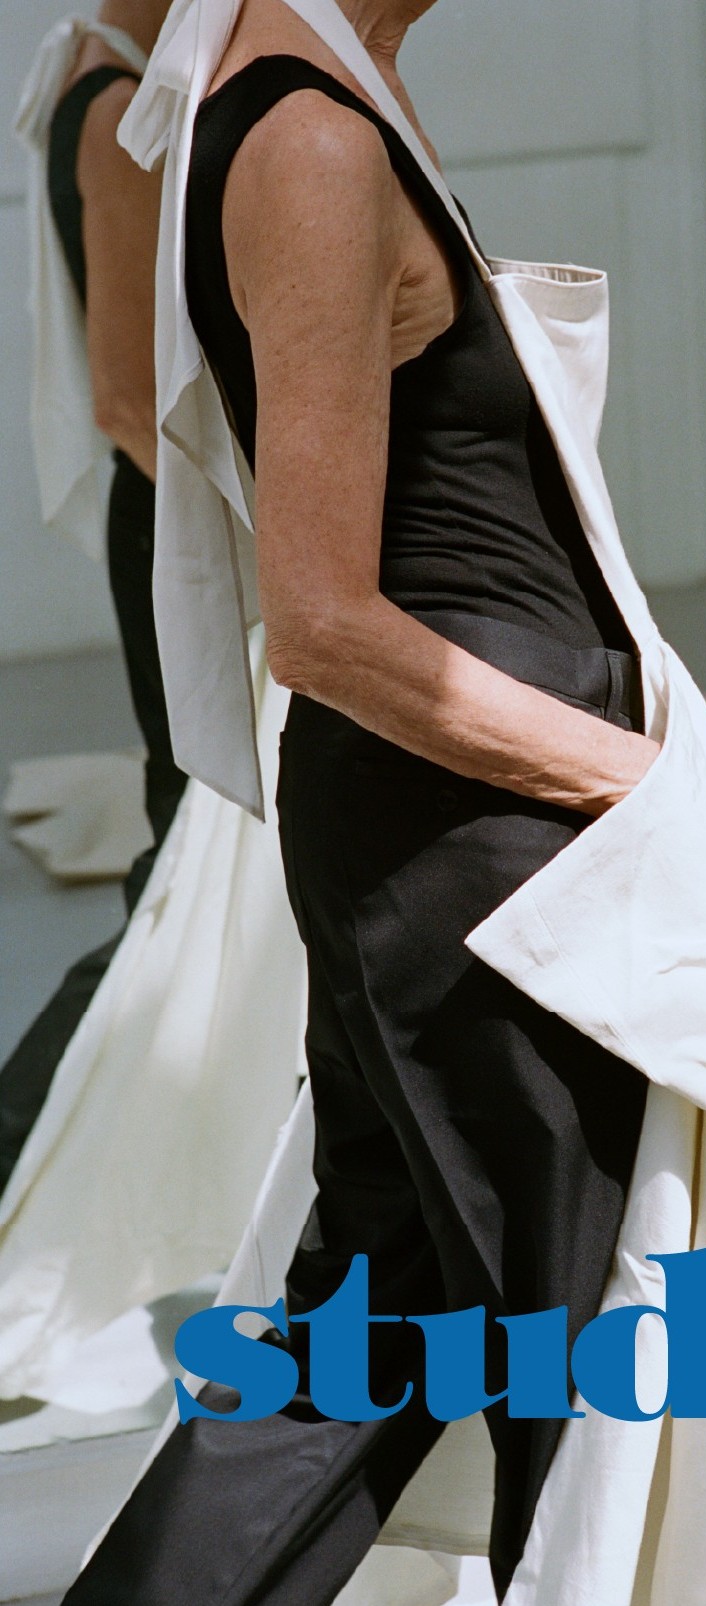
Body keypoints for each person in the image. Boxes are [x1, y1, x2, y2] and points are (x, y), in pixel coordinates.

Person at [64, 1, 706, 1602]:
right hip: (486, 854)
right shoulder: (309, 139)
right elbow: (322, 621)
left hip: (447, 840)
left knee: (362, 1344)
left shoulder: (326, 103)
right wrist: (631, 783)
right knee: (582, 1374)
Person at [1, 0, 184, 1193]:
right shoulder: (114, 103)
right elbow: (127, 397)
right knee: (189, 859)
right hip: (173, 528)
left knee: (215, 854)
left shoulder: (88, 68)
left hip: (170, 522)